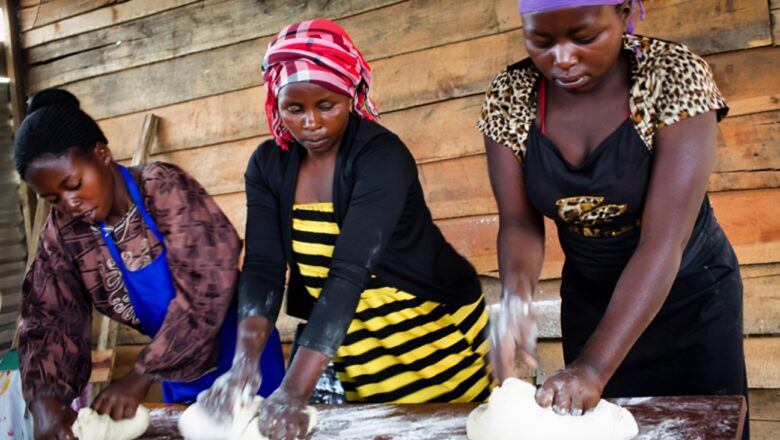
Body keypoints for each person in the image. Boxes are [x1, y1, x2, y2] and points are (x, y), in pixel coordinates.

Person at [199, 19, 492, 440]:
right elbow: (264, 266)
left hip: (425, 326)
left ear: (351, 95)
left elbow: (349, 269)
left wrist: (293, 392)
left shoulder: (381, 156)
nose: (311, 123)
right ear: (275, 103)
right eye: (294, 109)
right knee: (372, 427)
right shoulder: (268, 164)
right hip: (342, 332)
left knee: (438, 426)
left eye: (327, 105)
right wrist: (244, 365)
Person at [480, 0, 747, 433]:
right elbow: (518, 223)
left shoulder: (672, 75)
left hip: (690, 297)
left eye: (584, 38)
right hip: (591, 299)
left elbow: (664, 240)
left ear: (623, 14)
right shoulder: (512, 95)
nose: (562, 59)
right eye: (541, 41)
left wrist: (593, 366)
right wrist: (516, 298)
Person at [14, 89, 285, 440]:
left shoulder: (162, 188)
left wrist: (140, 375)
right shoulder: (64, 232)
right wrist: (45, 403)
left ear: (102, 153)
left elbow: (208, 285)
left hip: (244, 360)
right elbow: (49, 317)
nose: (70, 203)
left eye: (74, 184)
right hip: (175, 372)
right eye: (53, 198)